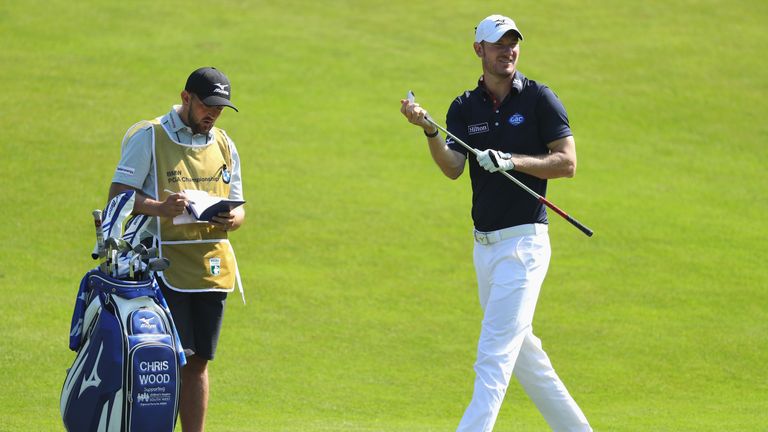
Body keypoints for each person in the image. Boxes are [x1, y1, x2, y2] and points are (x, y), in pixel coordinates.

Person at [400, 15, 592, 432]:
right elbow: (453, 166)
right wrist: (430, 131)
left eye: (513, 43)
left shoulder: (540, 98)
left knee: (493, 354)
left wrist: (510, 161)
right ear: (479, 50)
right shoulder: (463, 107)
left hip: (524, 245)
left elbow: (568, 162)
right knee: (526, 358)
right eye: (498, 44)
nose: (508, 51)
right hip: (484, 248)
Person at [108, 66, 245, 432]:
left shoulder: (224, 144)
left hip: (210, 267)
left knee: (198, 362)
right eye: (207, 105)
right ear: (186, 98)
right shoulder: (149, 136)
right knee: (166, 360)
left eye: (220, 108)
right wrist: (160, 208)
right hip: (161, 264)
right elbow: (118, 196)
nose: (212, 114)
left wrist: (234, 220)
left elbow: (238, 206)